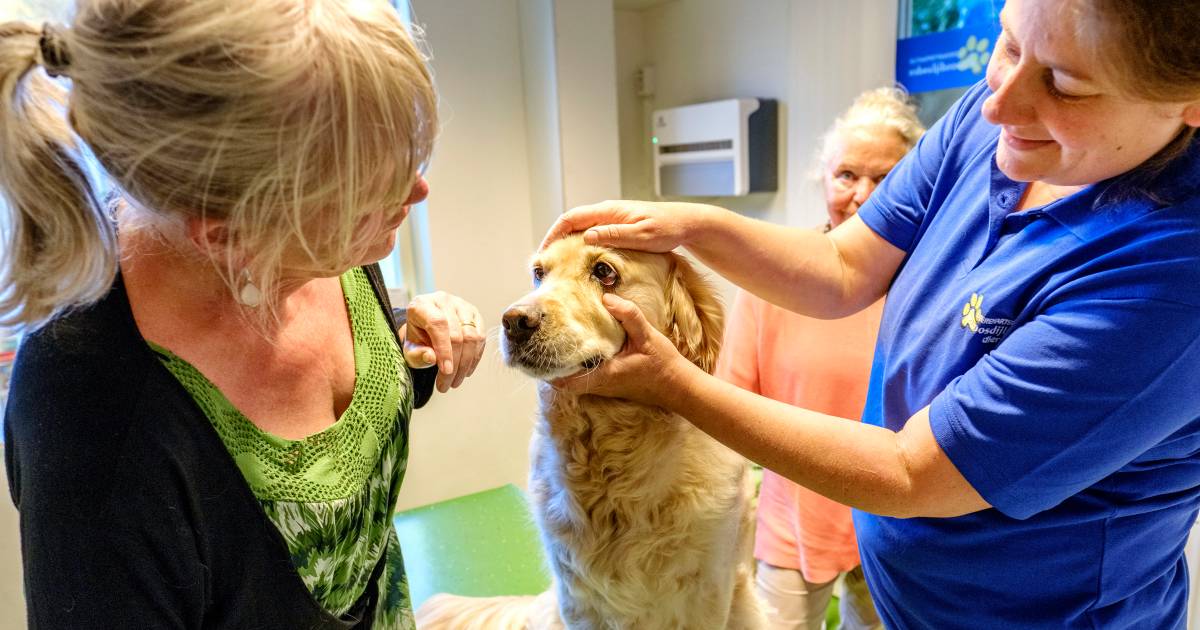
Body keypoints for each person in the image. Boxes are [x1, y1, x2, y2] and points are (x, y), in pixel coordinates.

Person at [542, 0, 1200, 627]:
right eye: (1009, 41)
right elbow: (842, 267)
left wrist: (673, 385)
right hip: (905, 594)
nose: (1000, 101)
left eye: (1064, 84)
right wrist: (694, 225)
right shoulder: (993, 117)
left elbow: (912, 472)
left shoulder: (1168, 278)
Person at [0, 2, 486, 628]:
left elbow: (325, 419)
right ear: (231, 238)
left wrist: (403, 342)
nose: (415, 193)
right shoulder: (92, 418)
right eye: (371, 189)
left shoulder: (309, 245)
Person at [717, 87, 923, 630]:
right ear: (823, 177)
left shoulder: (928, 285)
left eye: (887, 178)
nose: (863, 195)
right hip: (795, 519)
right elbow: (729, 404)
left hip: (898, 521)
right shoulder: (773, 275)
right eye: (847, 175)